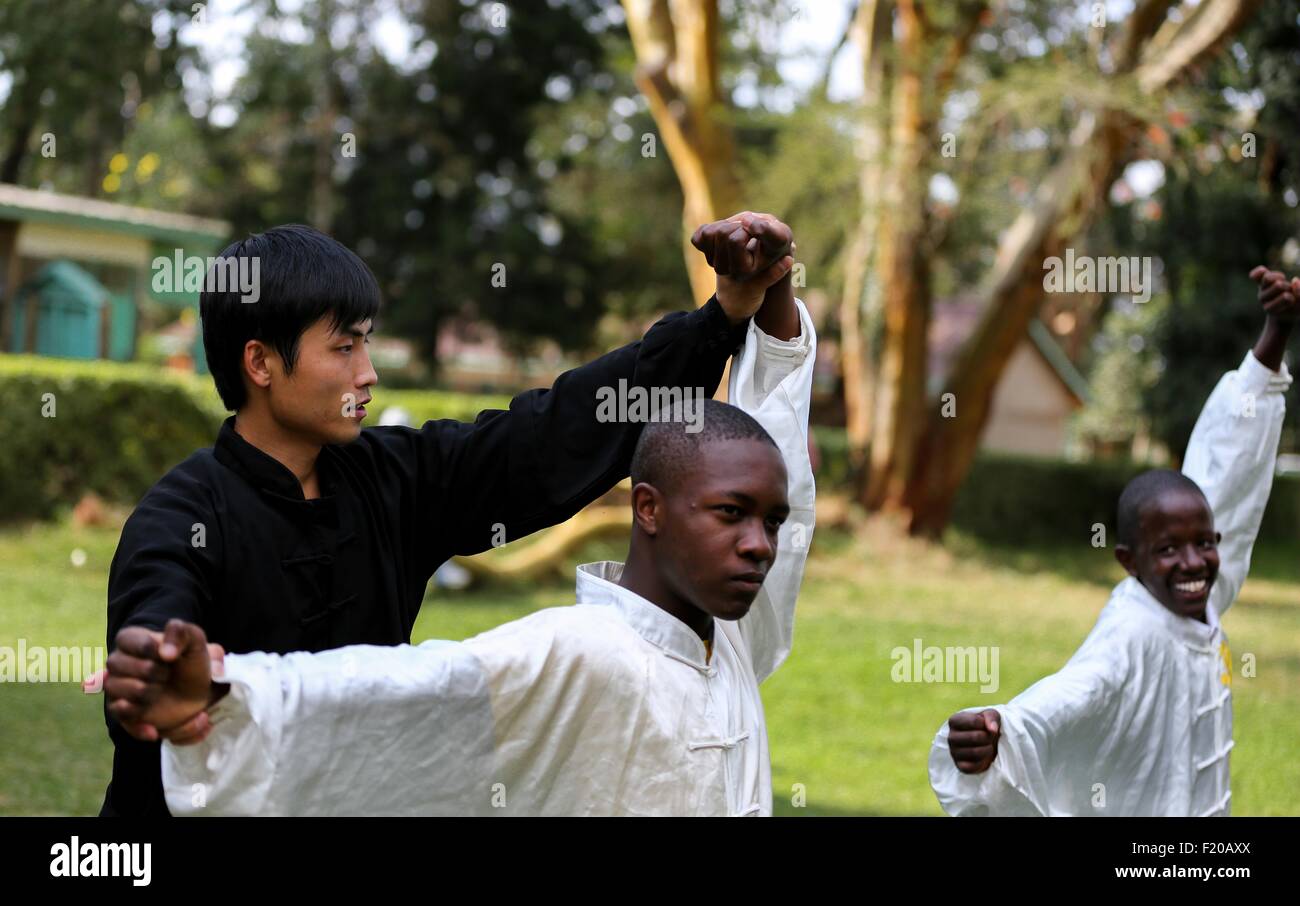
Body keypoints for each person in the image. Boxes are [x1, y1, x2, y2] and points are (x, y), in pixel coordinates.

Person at [103, 214, 816, 816]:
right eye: (343, 346)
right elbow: (156, 644)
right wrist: (157, 672)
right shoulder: (181, 516)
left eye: (367, 341)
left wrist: (721, 316)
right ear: (260, 363)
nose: (368, 372)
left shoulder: (396, 479)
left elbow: (552, 434)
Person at [928, 266, 1298, 816]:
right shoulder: (1131, 636)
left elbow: (1230, 463)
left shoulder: (1199, 594)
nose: (1193, 562)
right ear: (1129, 561)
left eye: (1204, 542)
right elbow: (1074, 694)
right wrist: (998, 733)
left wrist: (1276, 331)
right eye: (1168, 550)